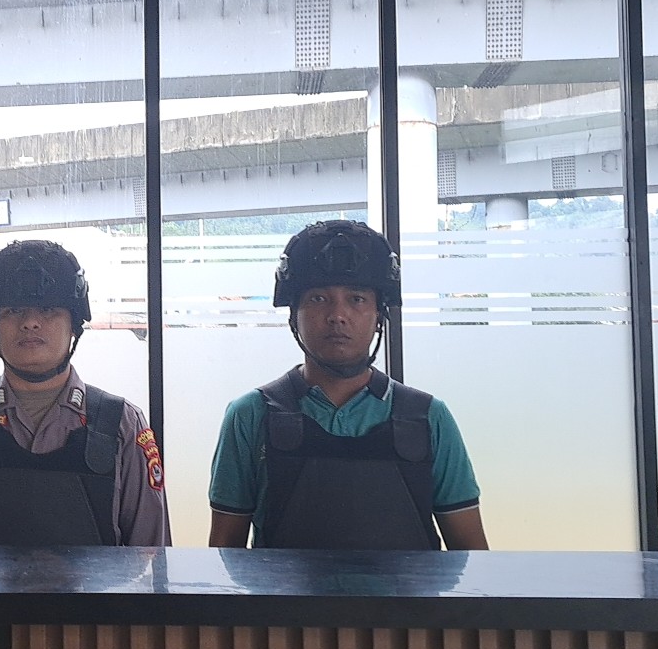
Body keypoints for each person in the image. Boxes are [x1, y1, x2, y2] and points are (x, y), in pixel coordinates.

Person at [208, 220, 488, 551]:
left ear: (379, 314)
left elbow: (471, 554)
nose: (337, 315)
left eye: (356, 299)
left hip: (408, 590)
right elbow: (225, 554)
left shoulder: (428, 417)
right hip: (279, 591)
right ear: (293, 314)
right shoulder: (251, 415)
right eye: (318, 298)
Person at [0, 239, 171, 546]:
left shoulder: (121, 425)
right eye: (13, 310)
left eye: (48, 309)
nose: (30, 323)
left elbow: (153, 558)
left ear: (74, 325)